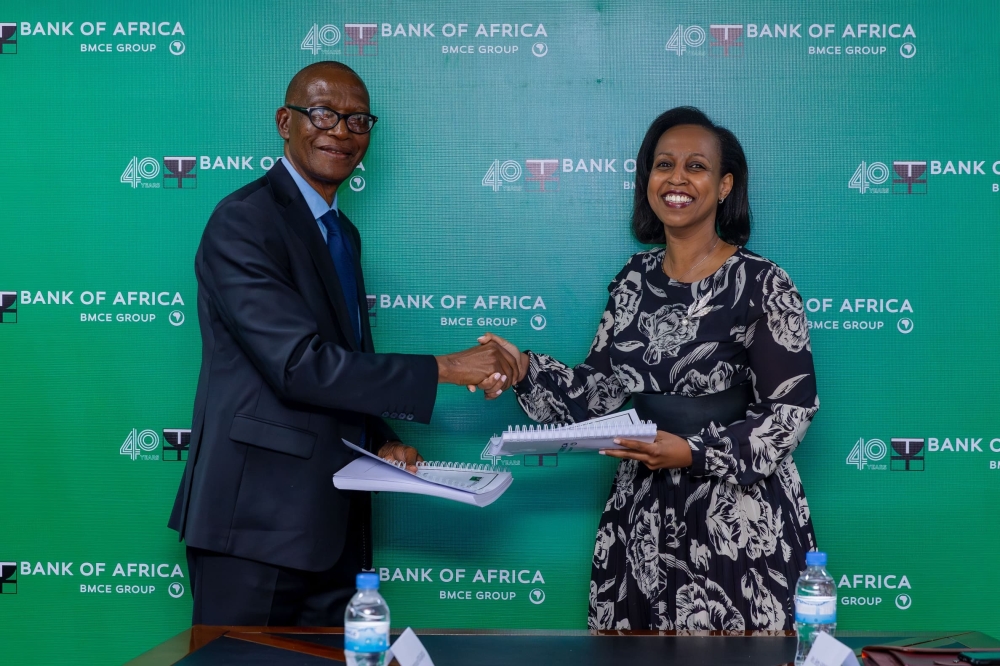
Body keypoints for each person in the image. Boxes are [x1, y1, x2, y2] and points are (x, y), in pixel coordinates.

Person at [168, 61, 519, 627]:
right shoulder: (243, 222)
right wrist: (447, 367)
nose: (341, 131)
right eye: (323, 113)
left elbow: (344, 361)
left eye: (358, 120)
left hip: (334, 532)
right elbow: (297, 365)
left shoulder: (340, 232)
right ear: (286, 122)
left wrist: (379, 436)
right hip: (254, 530)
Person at [475, 107, 819, 630]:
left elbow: (791, 411)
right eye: (664, 164)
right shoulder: (633, 280)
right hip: (642, 511)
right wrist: (521, 367)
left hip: (737, 514)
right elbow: (595, 395)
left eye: (696, 167)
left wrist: (694, 451)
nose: (677, 179)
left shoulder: (762, 283)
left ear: (725, 185)